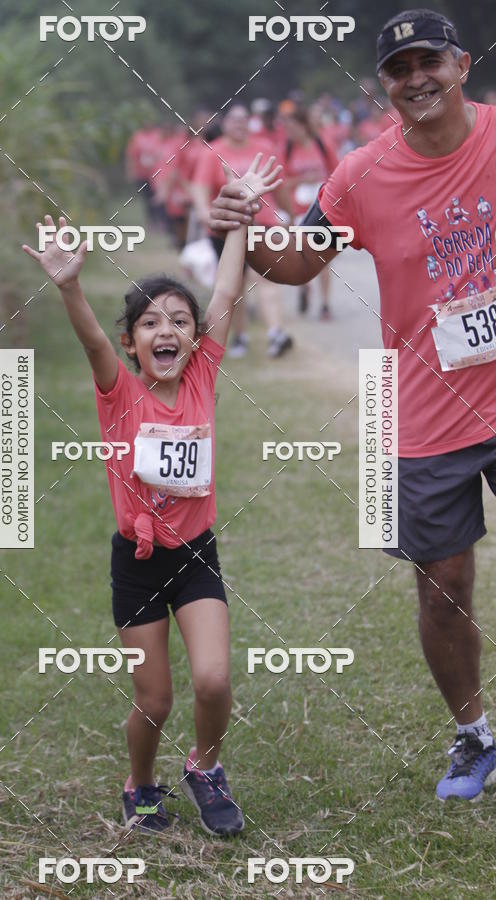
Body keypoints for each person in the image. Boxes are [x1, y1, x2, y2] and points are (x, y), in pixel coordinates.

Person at [210, 9, 496, 802]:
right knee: (443, 584)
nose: (417, 78)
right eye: (400, 69)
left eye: (429, 61)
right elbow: (299, 262)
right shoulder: (363, 174)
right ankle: (473, 737)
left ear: (462, 64)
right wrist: (248, 224)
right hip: (431, 413)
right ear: (384, 87)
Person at [22, 156, 282, 833]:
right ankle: (139, 783)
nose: (165, 331)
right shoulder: (121, 394)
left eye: (179, 322)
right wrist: (69, 286)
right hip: (136, 563)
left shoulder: (200, 380)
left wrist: (242, 220)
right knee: (156, 699)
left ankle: (206, 767)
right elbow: (87, 339)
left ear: (197, 339)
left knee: (215, 682)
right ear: (132, 344)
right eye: (149, 324)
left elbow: (227, 291)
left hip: (196, 554)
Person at [193, 104, 294, 359]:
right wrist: (207, 215)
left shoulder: (266, 148)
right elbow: (199, 190)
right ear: (225, 124)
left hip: (264, 223)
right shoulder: (212, 153)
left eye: (243, 120)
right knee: (234, 286)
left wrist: (289, 214)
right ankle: (240, 336)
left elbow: (279, 185)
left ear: (250, 123)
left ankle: (275, 333)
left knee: (267, 278)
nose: (239, 124)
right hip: (228, 227)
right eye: (233, 120)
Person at [281, 107, 339, 319]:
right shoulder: (286, 149)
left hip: (322, 208)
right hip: (297, 211)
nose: (289, 132)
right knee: (300, 257)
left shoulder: (322, 145)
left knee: (324, 259)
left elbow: (339, 173)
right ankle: (304, 287)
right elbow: (281, 182)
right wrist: (301, 180)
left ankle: (325, 304)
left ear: (304, 126)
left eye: (293, 127)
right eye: (287, 128)